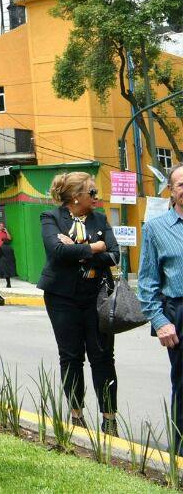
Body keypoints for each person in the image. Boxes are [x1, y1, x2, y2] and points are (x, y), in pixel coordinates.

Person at [37, 172, 120, 433]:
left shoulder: (100, 218)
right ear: (76, 196)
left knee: (103, 356)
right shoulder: (51, 217)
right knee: (71, 356)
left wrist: (77, 250)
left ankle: (109, 420)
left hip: (97, 296)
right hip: (62, 297)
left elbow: (115, 255)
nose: (97, 197)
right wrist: (95, 248)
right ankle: (77, 417)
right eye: (92, 193)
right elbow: (57, 252)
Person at [139, 163, 183, 451]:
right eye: (181, 184)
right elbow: (146, 282)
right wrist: (160, 321)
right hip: (178, 312)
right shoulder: (156, 228)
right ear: (171, 190)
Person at [0, 222, 17, 289]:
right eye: (0, 226)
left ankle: (2, 275)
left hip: (4, 250)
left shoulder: (5, 233)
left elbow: (10, 238)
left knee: (3, 264)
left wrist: (6, 231)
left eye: (2, 226)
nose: (1, 227)